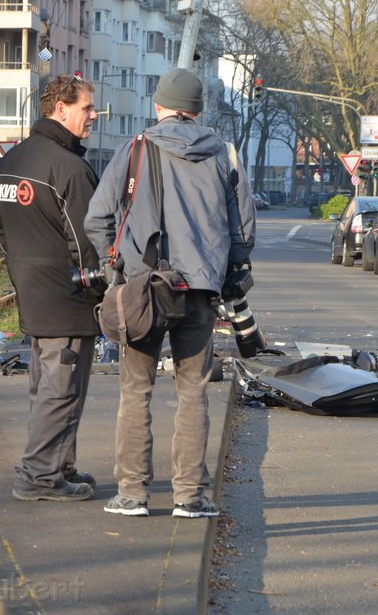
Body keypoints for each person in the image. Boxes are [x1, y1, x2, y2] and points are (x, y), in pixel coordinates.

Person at [84, 67, 256, 518]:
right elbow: (243, 231)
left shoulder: (135, 150)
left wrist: (113, 266)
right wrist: (222, 267)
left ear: (158, 106)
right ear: (198, 110)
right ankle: (190, 497)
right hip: (199, 291)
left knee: (136, 390)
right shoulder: (226, 154)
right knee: (193, 391)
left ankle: (133, 494)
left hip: (143, 289)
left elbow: (97, 217)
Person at [0, 73, 103, 502]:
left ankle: (59, 467)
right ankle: (38, 477)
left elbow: (0, 226)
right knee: (60, 387)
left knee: (48, 384)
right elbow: (86, 241)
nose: (92, 115)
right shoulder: (69, 168)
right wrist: (99, 293)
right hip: (67, 295)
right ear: (61, 110)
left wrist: (25, 267)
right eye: (86, 108)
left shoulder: (11, 161)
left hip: (32, 288)